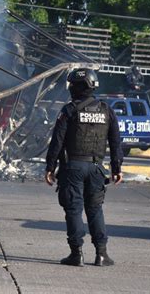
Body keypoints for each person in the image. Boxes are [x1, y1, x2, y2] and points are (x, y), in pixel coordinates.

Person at [45, 68, 123, 267]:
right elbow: (115, 142)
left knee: (73, 209)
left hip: (73, 168)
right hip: (97, 168)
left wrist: (50, 167)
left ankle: (76, 254)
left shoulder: (69, 110)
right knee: (95, 209)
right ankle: (102, 254)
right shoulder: (107, 110)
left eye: (73, 84)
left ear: (81, 86)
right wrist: (116, 168)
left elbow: (57, 142)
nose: (70, 88)